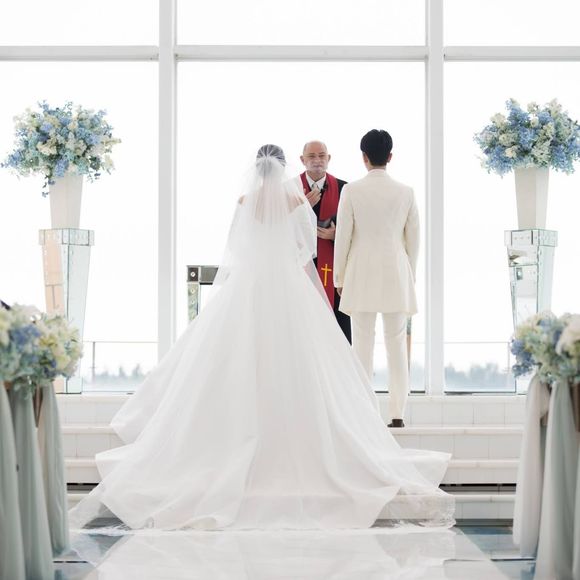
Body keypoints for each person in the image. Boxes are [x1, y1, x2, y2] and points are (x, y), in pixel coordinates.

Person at [69, 145, 451, 532]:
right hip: (288, 288)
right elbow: (306, 251)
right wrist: (304, 281)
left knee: (234, 360)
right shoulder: (296, 201)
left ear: (257, 169)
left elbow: (236, 248)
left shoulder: (244, 201)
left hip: (249, 287)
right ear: (284, 169)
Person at [334, 130, 419, 429]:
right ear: (390, 156)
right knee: (396, 345)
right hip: (395, 271)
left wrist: (339, 277)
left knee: (362, 344)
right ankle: (398, 413)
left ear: (364, 157)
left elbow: (343, 236)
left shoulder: (352, 191)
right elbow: (413, 240)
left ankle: (364, 412)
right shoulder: (406, 192)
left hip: (361, 272)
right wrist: (410, 275)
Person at [298, 141, 351, 343]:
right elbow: (278, 229)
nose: (317, 160)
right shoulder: (290, 188)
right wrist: (301, 207)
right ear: (302, 160)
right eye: (311, 156)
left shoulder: (344, 189)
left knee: (337, 335)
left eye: (322, 156)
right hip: (300, 269)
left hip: (334, 271)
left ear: (329, 159)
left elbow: (357, 232)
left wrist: (336, 236)